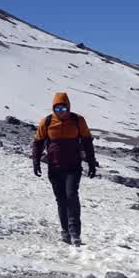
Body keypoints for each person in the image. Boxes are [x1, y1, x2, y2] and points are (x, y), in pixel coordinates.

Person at [32, 92, 98, 245]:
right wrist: (36, 161)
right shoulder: (47, 122)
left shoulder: (78, 120)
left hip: (73, 167)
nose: (61, 112)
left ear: (69, 108)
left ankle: (75, 232)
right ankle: (65, 231)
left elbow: (87, 141)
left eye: (64, 109)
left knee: (71, 196)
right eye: (57, 109)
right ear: (53, 109)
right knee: (61, 200)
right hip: (54, 167)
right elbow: (38, 142)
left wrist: (91, 161)